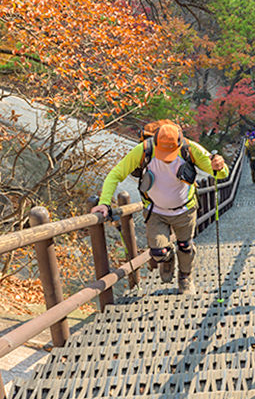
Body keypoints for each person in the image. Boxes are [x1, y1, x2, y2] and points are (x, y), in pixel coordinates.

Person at [93, 120, 227, 295]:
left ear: (179, 142)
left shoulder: (190, 149)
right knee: (157, 251)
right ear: (155, 142)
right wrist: (104, 202)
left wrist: (220, 165)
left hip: (185, 209)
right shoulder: (144, 150)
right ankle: (167, 256)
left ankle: (185, 278)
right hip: (155, 211)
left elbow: (222, 174)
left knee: (185, 245)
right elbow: (115, 174)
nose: (166, 156)